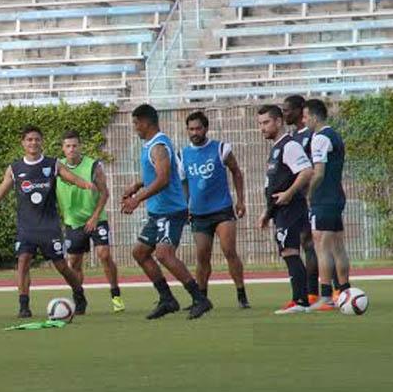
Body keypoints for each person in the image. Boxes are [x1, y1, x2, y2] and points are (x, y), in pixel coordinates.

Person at [0, 125, 95, 318]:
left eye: (37, 139)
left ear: (42, 142)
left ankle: (79, 293)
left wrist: (86, 184)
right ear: (23, 143)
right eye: (29, 140)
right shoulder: (15, 169)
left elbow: (72, 178)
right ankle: (24, 306)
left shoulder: (52, 164)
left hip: (49, 228)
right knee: (23, 262)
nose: (33, 143)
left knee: (62, 267)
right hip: (27, 228)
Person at [121, 104, 213, 320]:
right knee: (140, 252)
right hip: (158, 212)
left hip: (170, 211)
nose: (135, 128)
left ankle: (200, 299)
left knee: (164, 254)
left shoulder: (159, 146)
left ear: (146, 122)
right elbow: (157, 174)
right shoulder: (150, 145)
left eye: (136, 123)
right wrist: (137, 184)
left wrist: (137, 199)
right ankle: (167, 299)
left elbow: (163, 178)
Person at [179, 111, 250, 308]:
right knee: (202, 256)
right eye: (191, 129)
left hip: (222, 210)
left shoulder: (221, 149)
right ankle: (202, 299)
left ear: (206, 128)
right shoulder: (182, 155)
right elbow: (184, 183)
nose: (195, 132)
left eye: (198, 128)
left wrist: (241, 200)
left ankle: (241, 294)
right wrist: (185, 207)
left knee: (229, 251)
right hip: (198, 213)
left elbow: (236, 172)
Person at [55, 131, 124, 313]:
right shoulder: (57, 167)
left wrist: (94, 216)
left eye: (75, 145)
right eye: (68, 146)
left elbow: (104, 192)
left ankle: (115, 294)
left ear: (80, 146)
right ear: (63, 148)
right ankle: (79, 299)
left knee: (104, 254)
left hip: (96, 218)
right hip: (73, 222)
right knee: (75, 262)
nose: (72, 149)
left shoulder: (93, 166)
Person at [255, 105, 313, 314]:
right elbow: (275, 184)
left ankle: (300, 301)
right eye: (260, 123)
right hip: (280, 210)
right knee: (288, 251)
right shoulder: (276, 148)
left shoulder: (290, 146)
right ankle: (301, 299)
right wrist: (267, 212)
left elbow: (306, 171)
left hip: (291, 207)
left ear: (278, 122)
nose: (262, 128)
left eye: (266, 122)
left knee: (290, 250)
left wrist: (289, 193)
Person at [304, 98, 351, 311]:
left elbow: (319, 172)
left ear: (314, 117)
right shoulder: (335, 135)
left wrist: (308, 193)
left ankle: (325, 297)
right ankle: (345, 291)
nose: (304, 121)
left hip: (323, 199)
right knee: (338, 247)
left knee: (322, 247)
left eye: (305, 117)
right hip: (336, 197)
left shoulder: (320, 138)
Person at [283, 94, 327, 302]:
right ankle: (315, 292)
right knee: (305, 243)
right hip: (297, 200)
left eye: (288, 109)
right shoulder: (293, 137)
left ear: (301, 110)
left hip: (312, 198)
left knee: (313, 243)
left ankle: (318, 291)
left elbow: (315, 168)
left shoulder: (311, 136)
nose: (285, 114)